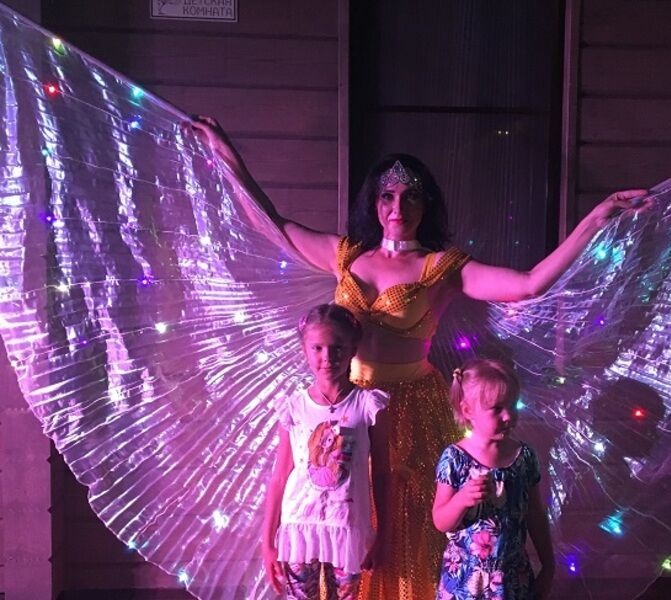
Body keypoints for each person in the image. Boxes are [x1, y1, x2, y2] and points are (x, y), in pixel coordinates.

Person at [189, 115, 646, 599]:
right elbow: (271, 224)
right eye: (387, 195)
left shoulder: (442, 267)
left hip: (412, 408)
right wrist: (225, 154)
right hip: (347, 406)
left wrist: (596, 220)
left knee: (408, 534)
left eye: (411, 196)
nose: (397, 207)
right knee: (339, 522)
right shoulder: (345, 255)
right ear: (374, 202)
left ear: (427, 204)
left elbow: (529, 283)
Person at [262, 304, 390, 599]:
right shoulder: (294, 407)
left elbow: (383, 473)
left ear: (353, 349)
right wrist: (267, 541)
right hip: (299, 526)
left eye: (337, 348)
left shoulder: (368, 405)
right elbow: (280, 476)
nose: (327, 357)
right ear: (305, 350)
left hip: (346, 528)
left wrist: (383, 534)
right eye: (317, 348)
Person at [432, 359, 554, 600]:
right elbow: (440, 521)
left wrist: (548, 565)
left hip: (512, 582)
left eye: (512, 406)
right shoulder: (455, 458)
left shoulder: (524, 458)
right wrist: (462, 499)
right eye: (497, 409)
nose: (508, 416)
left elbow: (536, 515)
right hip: (466, 583)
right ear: (468, 411)